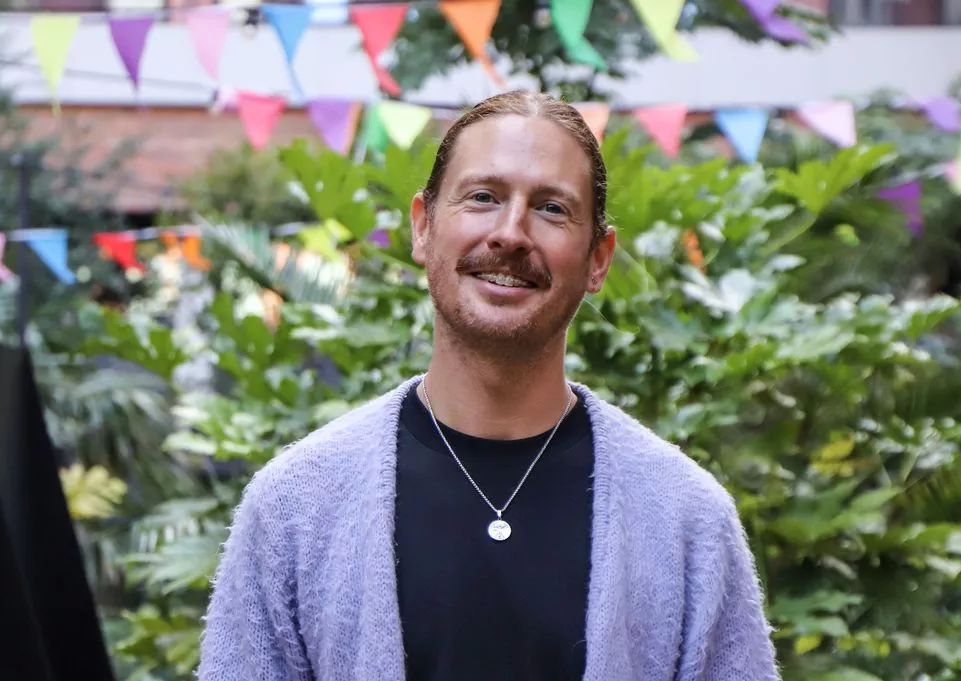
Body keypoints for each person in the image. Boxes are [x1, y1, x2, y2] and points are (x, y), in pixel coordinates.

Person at [197, 90, 779, 681]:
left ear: (598, 259)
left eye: (552, 208)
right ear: (423, 228)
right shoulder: (296, 505)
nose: (510, 233)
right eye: (483, 197)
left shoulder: (686, 519)